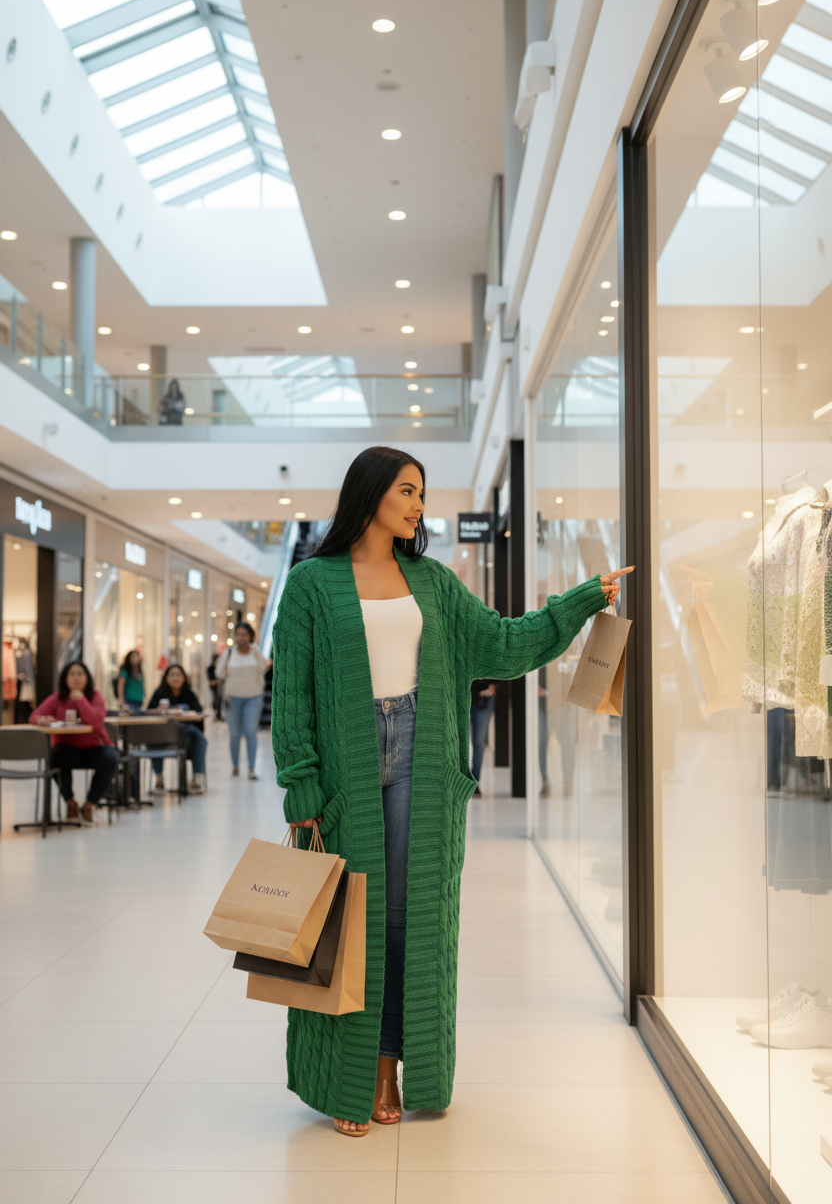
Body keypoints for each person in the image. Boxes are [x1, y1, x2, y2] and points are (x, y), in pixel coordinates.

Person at [272, 444, 633, 1137]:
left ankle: (388, 1066)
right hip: (345, 764)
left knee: (406, 915)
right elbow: (292, 692)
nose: (417, 504)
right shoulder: (313, 584)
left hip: (422, 756)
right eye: (406, 490)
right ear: (370, 493)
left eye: (422, 493)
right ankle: (345, 1074)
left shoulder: (432, 581)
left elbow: (504, 642)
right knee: (349, 920)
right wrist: (302, 787)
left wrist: (583, 601)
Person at [29, 660, 119, 825]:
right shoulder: (57, 698)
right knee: (56, 757)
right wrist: (43, 719)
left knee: (110, 758)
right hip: (67, 748)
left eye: (80, 674)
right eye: (72, 674)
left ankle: (89, 804)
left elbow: (95, 721)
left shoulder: (95, 697)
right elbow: (34, 716)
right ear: (65, 678)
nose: (76, 678)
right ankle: (70, 803)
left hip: (94, 747)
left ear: (87, 677)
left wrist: (81, 700)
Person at [215, 622, 270, 779]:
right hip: (232, 699)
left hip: (253, 698)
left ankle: (252, 768)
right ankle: (235, 766)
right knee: (234, 734)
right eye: (238, 634)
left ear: (250, 637)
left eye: (244, 635)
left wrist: (256, 652)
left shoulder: (255, 651)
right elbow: (219, 673)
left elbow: (264, 667)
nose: (240, 638)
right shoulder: (229, 653)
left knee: (251, 732)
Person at [146, 663, 207, 794]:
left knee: (200, 739)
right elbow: (149, 711)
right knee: (152, 740)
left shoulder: (190, 695)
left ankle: (196, 777)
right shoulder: (159, 694)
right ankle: (159, 777)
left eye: (178, 674)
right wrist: (159, 710)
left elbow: (198, 714)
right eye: (172, 675)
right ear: (166, 678)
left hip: (186, 732)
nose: (175, 678)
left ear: (184, 678)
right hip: (163, 733)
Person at [469, 679, 497, 795]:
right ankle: (459, 780)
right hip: (464, 694)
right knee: (460, 741)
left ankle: (475, 782)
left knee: (479, 743)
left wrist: (493, 687)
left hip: (485, 699)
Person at [117, 649, 144, 713]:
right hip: (129, 700)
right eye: (133, 657)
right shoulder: (125, 671)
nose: (135, 659)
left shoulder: (140, 672)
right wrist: (121, 699)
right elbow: (120, 685)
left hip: (139, 699)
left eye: (136, 656)